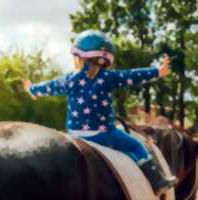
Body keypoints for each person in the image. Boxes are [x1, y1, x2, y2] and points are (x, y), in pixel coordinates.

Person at [23, 30, 176, 195]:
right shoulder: (108, 77)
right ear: (106, 60)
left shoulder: (69, 80)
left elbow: (50, 86)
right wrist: (157, 72)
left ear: (77, 57)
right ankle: (157, 181)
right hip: (103, 134)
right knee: (136, 145)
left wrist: (33, 89)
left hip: (75, 134)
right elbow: (132, 75)